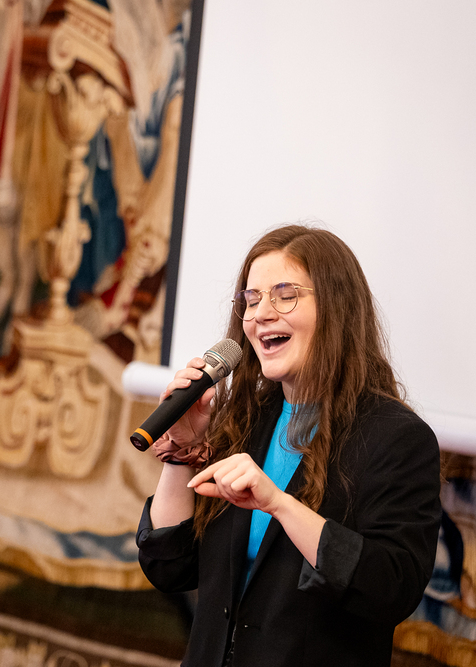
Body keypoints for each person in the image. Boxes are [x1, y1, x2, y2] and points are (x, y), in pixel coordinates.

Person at [136, 224, 442, 666]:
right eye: (252, 299)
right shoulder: (244, 419)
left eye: (284, 295)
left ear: (336, 309)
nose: (261, 314)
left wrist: (278, 504)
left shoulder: (397, 438)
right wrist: (180, 452)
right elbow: (170, 567)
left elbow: (392, 588)